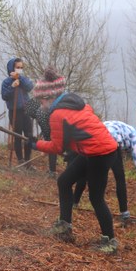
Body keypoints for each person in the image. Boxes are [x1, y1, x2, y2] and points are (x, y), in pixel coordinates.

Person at [29, 68, 120, 254]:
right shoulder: (75, 104)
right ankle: (64, 225)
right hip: (93, 150)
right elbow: (77, 131)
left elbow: (56, 147)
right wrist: (75, 146)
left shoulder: (57, 114)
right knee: (64, 181)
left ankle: (110, 242)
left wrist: (36, 144)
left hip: (100, 154)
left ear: (49, 97)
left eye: (41, 100)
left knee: (96, 197)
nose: (41, 104)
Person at [1, 57, 35, 166]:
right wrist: (12, 86)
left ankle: (27, 161)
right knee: (18, 136)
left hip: (26, 110)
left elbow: (30, 87)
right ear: (12, 68)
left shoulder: (23, 79)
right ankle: (20, 160)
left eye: (21, 67)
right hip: (15, 111)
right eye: (17, 67)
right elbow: (5, 96)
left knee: (29, 135)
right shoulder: (6, 82)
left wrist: (19, 78)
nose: (19, 69)